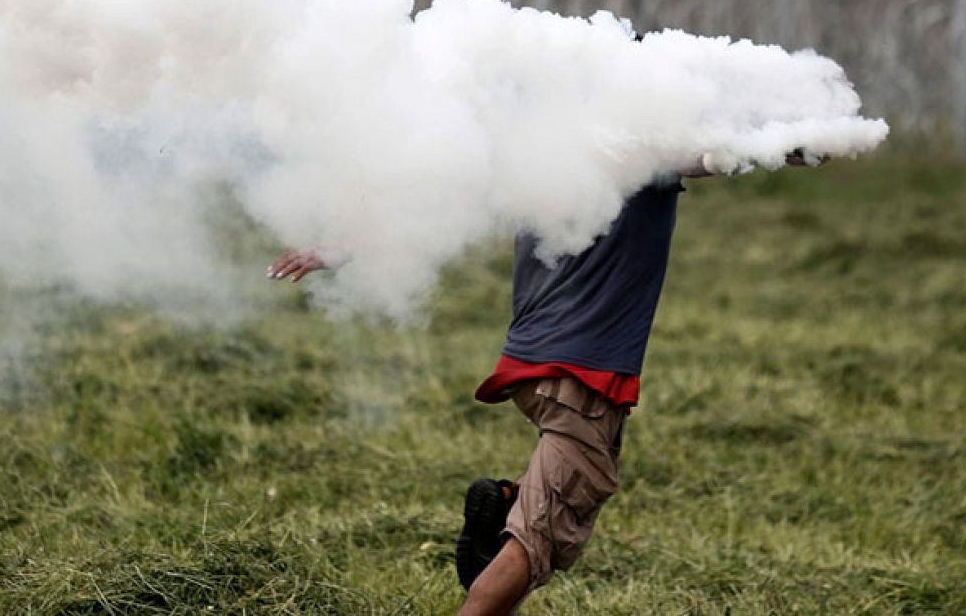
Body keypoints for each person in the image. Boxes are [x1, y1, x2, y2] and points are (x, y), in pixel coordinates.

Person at [269, 150, 816, 615]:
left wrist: (338, 248)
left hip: (535, 372)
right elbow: (713, 152)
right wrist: (794, 143)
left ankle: (508, 508)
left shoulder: (545, 150)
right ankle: (508, 527)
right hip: (582, 381)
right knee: (538, 542)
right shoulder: (646, 146)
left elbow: (443, 203)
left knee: (545, 524)